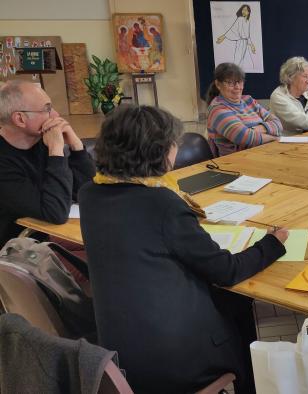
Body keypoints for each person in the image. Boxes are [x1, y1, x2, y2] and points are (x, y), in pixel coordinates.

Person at [79, 105, 288, 393]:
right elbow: (226, 271)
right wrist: (273, 243)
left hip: (118, 350)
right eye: (173, 143)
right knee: (239, 301)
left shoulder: (90, 194)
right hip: (172, 361)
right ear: (159, 152)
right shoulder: (162, 203)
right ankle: (245, 382)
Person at [0, 80, 95, 246]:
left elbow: (89, 192)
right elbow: (55, 212)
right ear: (20, 119)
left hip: (44, 242)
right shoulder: (5, 162)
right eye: (47, 109)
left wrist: (77, 148)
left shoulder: (42, 143)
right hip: (15, 254)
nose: (56, 115)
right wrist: (56, 151)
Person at [207, 62, 283, 156]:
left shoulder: (248, 100)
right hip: (235, 162)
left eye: (240, 81)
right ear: (218, 84)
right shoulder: (217, 109)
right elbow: (244, 137)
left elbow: (278, 124)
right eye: (230, 83)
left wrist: (253, 130)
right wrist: (273, 138)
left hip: (264, 154)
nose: (237, 87)